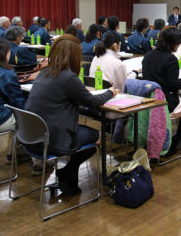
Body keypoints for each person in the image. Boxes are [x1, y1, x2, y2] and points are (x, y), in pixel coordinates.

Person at [24, 34, 116, 194]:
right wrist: (110, 92)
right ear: (74, 55)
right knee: (98, 136)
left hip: (31, 137)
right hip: (52, 139)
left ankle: (68, 175)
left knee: (85, 132)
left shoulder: (45, 73)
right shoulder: (68, 77)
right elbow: (93, 102)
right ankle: (69, 172)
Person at [142, 27, 181, 154]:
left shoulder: (148, 55)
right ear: (173, 43)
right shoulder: (171, 59)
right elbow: (173, 84)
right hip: (165, 101)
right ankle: (174, 145)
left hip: (148, 99)